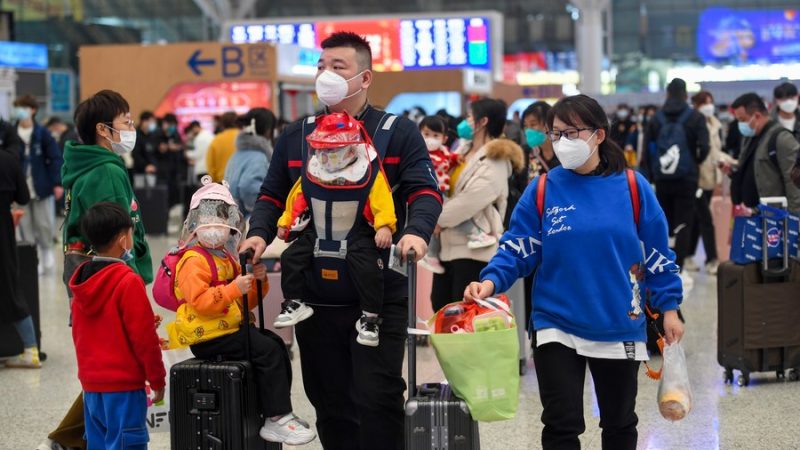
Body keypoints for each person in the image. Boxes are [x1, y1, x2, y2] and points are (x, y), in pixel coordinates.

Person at [240, 31, 441, 448]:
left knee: (377, 395)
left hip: (378, 289)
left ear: (364, 78)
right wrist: (258, 234)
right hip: (315, 292)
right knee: (329, 398)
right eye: (321, 67)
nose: (325, 75)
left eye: (338, 67)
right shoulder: (298, 135)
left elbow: (424, 191)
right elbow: (273, 193)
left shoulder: (396, 132)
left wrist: (415, 233)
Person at [464, 94, 685, 450]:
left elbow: (658, 254)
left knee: (619, 422)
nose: (561, 142)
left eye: (571, 132)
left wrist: (670, 308)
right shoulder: (543, 188)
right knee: (561, 424)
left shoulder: (632, 187)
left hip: (618, 322)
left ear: (598, 134)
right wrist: (490, 281)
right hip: (556, 322)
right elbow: (519, 246)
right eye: (555, 134)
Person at [38, 89, 154, 450]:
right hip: (108, 274)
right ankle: (70, 437)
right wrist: (132, 284)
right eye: (126, 122)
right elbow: (117, 234)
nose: (132, 128)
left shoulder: (84, 165)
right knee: (114, 361)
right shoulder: (104, 170)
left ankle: (72, 436)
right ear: (103, 130)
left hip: (85, 270)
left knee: (100, 357)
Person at [168, 179, 316, 445]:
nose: (214, 228)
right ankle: (276, 416)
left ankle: (279, 412)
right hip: (208, 337)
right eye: (207, 220)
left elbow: (242, 305)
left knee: (275, 344)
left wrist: (258, 280)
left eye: (221, 220)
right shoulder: (192, 260)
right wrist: (234, 289)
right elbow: (201, 302)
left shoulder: (226, 257)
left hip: (227, 329)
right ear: (194, 224)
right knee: (267, 351)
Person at [273, 112, 396, 347]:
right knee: (291, 257)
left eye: (333, 150)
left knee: (369, 269)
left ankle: (370, 318)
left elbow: (383, 201)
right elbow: (297, 199)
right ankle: (294, 302)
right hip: (317, 230)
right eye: (323, 150)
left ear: (351, 148)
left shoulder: (368, 172)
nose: (326, 156)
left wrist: (385, 226)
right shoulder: (313, 170)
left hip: (354, 233)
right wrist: (285, 224)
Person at [69, 202, 166, 449]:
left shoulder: (82, 280)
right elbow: (143, 339)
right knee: (127, 444)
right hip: (124, 388)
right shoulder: (127, 281)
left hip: (92, 389)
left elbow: (84, 333)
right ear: (123, 240)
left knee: (99, 444)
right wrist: (158, 379)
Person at [430, 98, 524, 312]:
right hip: (447, 245)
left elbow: (468, 202)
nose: (466, 121)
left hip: (475, 251)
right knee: (441, 310)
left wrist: (433, 218)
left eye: (470, 117)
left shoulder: (496, 160)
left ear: (483, 122)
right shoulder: (460, 152)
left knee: (464, 318)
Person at [642, 78, 709, 292]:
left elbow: (647, 150)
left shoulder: (656, 118)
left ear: (668, 94)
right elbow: (704, 147)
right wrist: (695, 164)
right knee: (684, 222)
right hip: (687, 179)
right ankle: (679, 266)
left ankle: (663, 264)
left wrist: (651, 176)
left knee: (663, 221)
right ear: (685, 94)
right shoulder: (695, 117)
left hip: (662, 180)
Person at [1, 141, 42, 368]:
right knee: (9, 288)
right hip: (3, 232)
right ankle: (30, 349)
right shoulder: (8, 160)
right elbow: (24, 197)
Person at [13, 94, 64, 275]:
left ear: (33, 110)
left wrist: (57, 183)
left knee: (44, 223)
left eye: (23, 107)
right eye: (17, 107)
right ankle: (32, 256)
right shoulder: (11, 133)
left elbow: (55, 158)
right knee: (24, 224)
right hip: (20, 187)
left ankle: (47, 252)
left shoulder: (43, 133)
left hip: (42, 186)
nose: (19, 111)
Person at [725, 93, 800, 213]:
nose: (740, 124)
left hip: (773, 218)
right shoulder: (749, 137)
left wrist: (794, 219)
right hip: (752, 214)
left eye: (742, 120)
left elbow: (794, 182)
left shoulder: (781, 139)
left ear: (757, 116)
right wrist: (733, 171)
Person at [417, 115, 470, 275]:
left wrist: (458, 159)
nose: (430, 139)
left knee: (446, 219)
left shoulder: (445, 152)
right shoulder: (419, 153)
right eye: (426, 134)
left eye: (435, 136)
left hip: (444, 192)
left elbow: (451, 159)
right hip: (428, 192)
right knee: (434, 223)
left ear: (444, 138)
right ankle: (430, 254)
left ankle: (432, 254)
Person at [685, 91, 722, 275]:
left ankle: (688, 255)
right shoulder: (693, 123)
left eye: (711, 102)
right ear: (697, 105)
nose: (709, 106)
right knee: (706, 220)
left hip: (710, 178)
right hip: (696, 178)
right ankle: (712, 259)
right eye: (705, 103)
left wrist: (730, 161)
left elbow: (716, 152)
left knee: (698, 219)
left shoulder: (714, 124)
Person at [224, 108, 275, 216]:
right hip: (249, 220)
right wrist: (260, 211)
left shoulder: (237, 155)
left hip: (234, 217)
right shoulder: (259, 157)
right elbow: (248, 186)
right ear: (268, 130)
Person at [206, 111, 240, 183]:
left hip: (222, 181)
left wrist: (213, 181)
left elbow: (210, 165)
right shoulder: (243, 138)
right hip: (240, 180)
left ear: (222, 123)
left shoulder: (216, 140)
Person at [131, 111, 160, 185]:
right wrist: (145, 166)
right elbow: (135, 154)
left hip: (152, 171)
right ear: (144, 121)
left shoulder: (153, 136)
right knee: (140, 193)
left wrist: (154, 165)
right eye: (151, 121)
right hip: (139, 171)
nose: (153, 124)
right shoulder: (136, 135)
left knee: (152, 194)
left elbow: (154, 153)